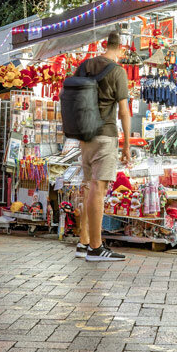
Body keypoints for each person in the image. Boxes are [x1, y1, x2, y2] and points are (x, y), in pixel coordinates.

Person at [74, 32, 130, 262]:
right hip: (105, 135)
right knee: (98, 189)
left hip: (84, 137)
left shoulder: (84, 66)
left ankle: (83, 242)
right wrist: (126, 144)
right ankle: (96, 249)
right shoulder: (117, 71)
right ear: (122, 48)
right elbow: (125, 111)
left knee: (89, 188)